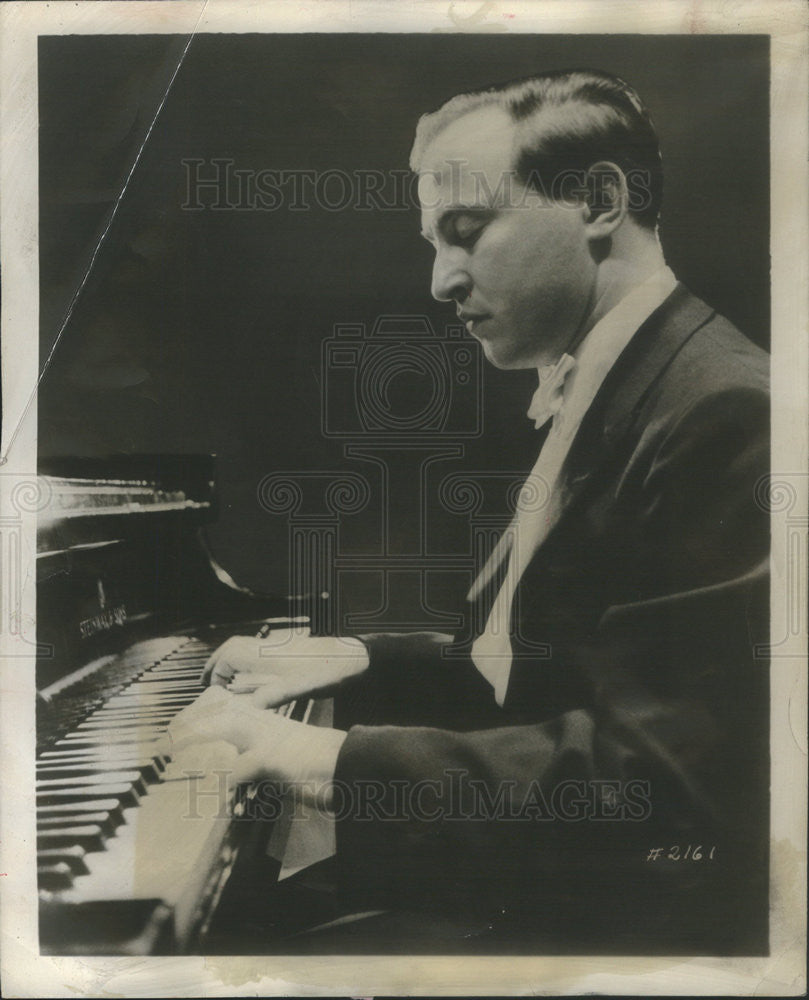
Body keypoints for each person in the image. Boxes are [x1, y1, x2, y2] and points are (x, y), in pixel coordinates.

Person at [168, 69, 770, 953]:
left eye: (466, 231)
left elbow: (667, 788)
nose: (441, 281)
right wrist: (358, 659)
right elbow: (551, 671)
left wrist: (323, 759)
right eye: (432, 241)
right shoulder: (629, 375)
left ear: (598, 200)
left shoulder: (727, 409)